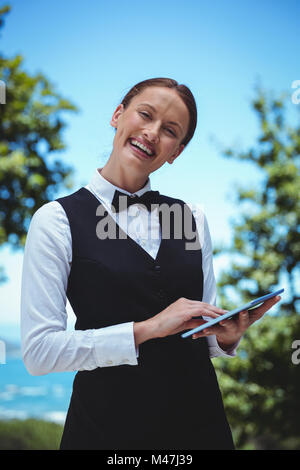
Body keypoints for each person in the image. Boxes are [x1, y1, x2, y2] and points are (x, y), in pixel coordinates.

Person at [20, 77, 280, 450]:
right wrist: (146, 329)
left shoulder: (193, 219)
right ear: (117, 115)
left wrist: (226, 338)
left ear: (176, 151)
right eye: (146, 115)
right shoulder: (56, 220)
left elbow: (201, 334)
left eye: (170, 130)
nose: (153, 133)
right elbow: (39, 353)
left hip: (200, 429)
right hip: (104, 432)